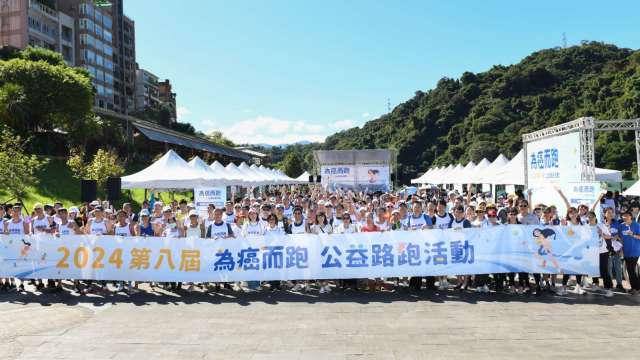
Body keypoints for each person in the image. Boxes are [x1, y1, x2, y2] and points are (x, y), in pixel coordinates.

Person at [619, 211, 640, 295]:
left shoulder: (636, 225)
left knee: (631, 270)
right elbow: (620, 237)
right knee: (629, 271)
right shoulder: (622, 226)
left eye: (626, 216)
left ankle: (637, 288)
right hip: (626, 251)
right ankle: (634, 288)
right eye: (623, 216)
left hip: (635, 251)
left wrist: (633, 235)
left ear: (631, 216)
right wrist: (621, 250)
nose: (624, 217)